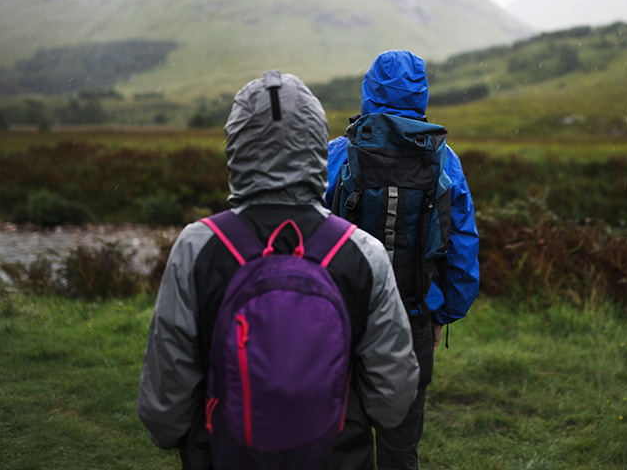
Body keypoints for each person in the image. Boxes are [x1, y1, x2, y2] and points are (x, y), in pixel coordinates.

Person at [138, 70, 419, 470]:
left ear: (236, 144)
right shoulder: (363, 251)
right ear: (316, 146)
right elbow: (393, 398)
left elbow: (165, 405)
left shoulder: (197, 247)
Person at [325, 50, 480, 470]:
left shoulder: (337, 154)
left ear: (368, 92)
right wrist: (442, 313)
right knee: (400, 446)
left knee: (342, 442)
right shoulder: (444, 160)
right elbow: (462, 247)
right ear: (421, 95)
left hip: (342, 319)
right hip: (411, 317)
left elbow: (306, 234)